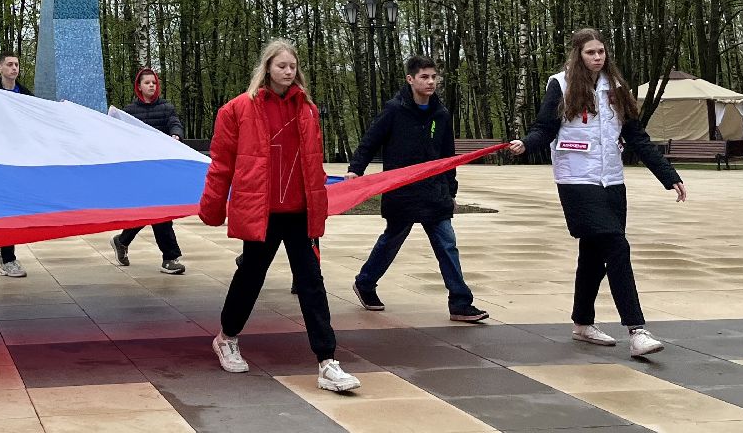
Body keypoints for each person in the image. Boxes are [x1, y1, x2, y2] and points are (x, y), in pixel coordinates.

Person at [509, 27, 686, 358]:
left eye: (601, 52)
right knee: (616, 246)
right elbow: (545, 127)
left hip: (612, 183)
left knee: (593, 255)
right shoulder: (559, 84)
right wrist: (526, 144)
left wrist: (668, 174)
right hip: (576, 181)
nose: (597, 57)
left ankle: (582, 323)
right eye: (590, 52)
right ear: (578, 55)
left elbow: (636, 136)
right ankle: (637, 330)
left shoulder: (616, 88)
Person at [199, 39, 360, 393]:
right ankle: (226, 337)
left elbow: (311, 164)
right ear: (267, 67)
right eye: (281, 66)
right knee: (250, 277)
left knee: (311, 282)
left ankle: (327, 361)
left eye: (292, 66)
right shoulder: (237, 110)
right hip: (262, 213)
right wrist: (211, 207)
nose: (288, 72)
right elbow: (221, 164)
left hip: (299, 213)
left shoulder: (308, 110)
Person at [345, 56, 488, 322]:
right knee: (391, 241)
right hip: (402, 191)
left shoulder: (441, 114)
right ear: (410, 79)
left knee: (447, 244)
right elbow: (370, 140)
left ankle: (460, 302)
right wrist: (356, 170)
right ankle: (365, 283)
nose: (431, 81)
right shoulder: (394, 110)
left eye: (434, 76)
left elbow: (448, 157)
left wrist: (451, 191)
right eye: (424, 77)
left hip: (434, 193)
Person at [110, 68, 186, 275]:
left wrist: (176, 135)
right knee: (160, 213)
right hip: (141, 172)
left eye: (154, 82)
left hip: (161, 170)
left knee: (155, 212)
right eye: (147, 83)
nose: (151, 85)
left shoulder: (166, 108)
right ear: (139, 87)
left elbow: (175, 124)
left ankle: (123, 240)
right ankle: (170, 258)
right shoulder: (129, 112)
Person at [0, 51, 31, 278]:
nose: (14, 68)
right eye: (9, 64)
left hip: (20, 159)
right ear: (0, 68)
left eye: (16, 64)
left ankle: (1, 244)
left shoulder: (25, 95)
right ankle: (8, 259)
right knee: (7, 208)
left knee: (15, 208)